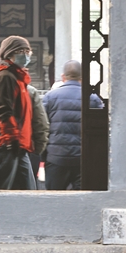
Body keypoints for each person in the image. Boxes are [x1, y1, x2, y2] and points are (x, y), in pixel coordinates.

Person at [0, 36, 48, 190]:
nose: (25, 55)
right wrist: (11, 138)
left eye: (27, 51)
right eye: (20, 51)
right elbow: (3, 111)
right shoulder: (5, 76)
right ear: (9, 53)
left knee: (26, 189)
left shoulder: (17, 77)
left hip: (18, 143)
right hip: (7, 143)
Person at [42, 59, 104, 191]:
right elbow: (101, 127)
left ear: (63, 77)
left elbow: (42, 126)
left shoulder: (50, 97)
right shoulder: (92, 98)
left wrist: (43, 154)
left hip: (56, 157)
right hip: (83, 158)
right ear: (83, 77)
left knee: (54, 197)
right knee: (82, 197)